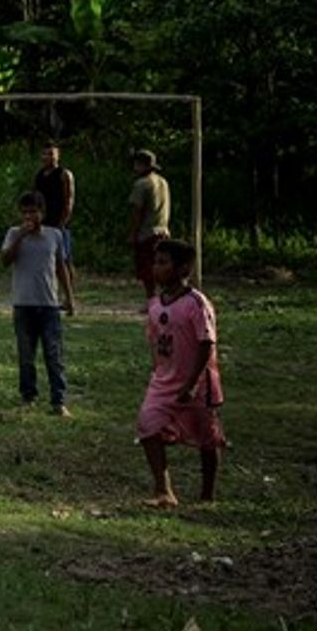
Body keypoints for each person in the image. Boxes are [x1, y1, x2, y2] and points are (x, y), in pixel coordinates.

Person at [136, 238, 225, 507]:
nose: (157, 268)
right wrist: (158, 372)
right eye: (156, 262)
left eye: (164, 263)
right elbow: (154, 340)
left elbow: (206, 343)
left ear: (182, 269)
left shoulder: (196, 304)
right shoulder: (155, 305)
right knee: (148, 425)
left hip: (197, 383)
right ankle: (164, 490)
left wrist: (191, 382)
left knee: (207, 437)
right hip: (164, 381)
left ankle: (207, 493)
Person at [0, 190, 77, 415]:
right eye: (24, 212)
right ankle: (28, 395)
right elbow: (5, 260)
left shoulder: (54, 235)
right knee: (26, 355)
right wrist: (20, 237)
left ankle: (58, 400)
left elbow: (61, 268)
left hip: (49, 304)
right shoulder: (14, 233)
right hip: (23, 303)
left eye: (33, 212)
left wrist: (69, 297)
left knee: (54, 354)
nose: (29, 217)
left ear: (42, 213)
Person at [125, 150, 172, 294]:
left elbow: (137, 211)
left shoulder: (142, 184)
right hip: (163, 230)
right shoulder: (163, 182)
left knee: (147, 269)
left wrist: (133, 233)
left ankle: (152, 298)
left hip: (147, 232)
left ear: (141, 165)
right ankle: (161, 296)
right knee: (161, 267)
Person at [33, 144, 76, 265]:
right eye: (44, 154)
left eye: (51, 154)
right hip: (43, 221)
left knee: (65, 259)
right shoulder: (39, 175)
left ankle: (70, 283)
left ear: (58, 156)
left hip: (59, 222)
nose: (47, 157)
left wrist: (63, 222)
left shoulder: (64, 174)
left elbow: (69, 200)